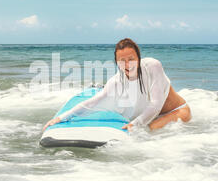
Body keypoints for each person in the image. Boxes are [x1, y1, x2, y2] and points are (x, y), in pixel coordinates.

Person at [42, 38, 191, 132]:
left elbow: (156, 105)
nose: (127, 64)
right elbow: (93, 102)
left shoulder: (153, 66)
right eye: (122, 61)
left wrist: (135, 124)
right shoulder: (116, 81)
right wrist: (62, 118)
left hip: (177, 110)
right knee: (141, 124)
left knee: (150, 128)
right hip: (152, 115)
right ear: (116, 62)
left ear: (139, 58)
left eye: (131, 59)